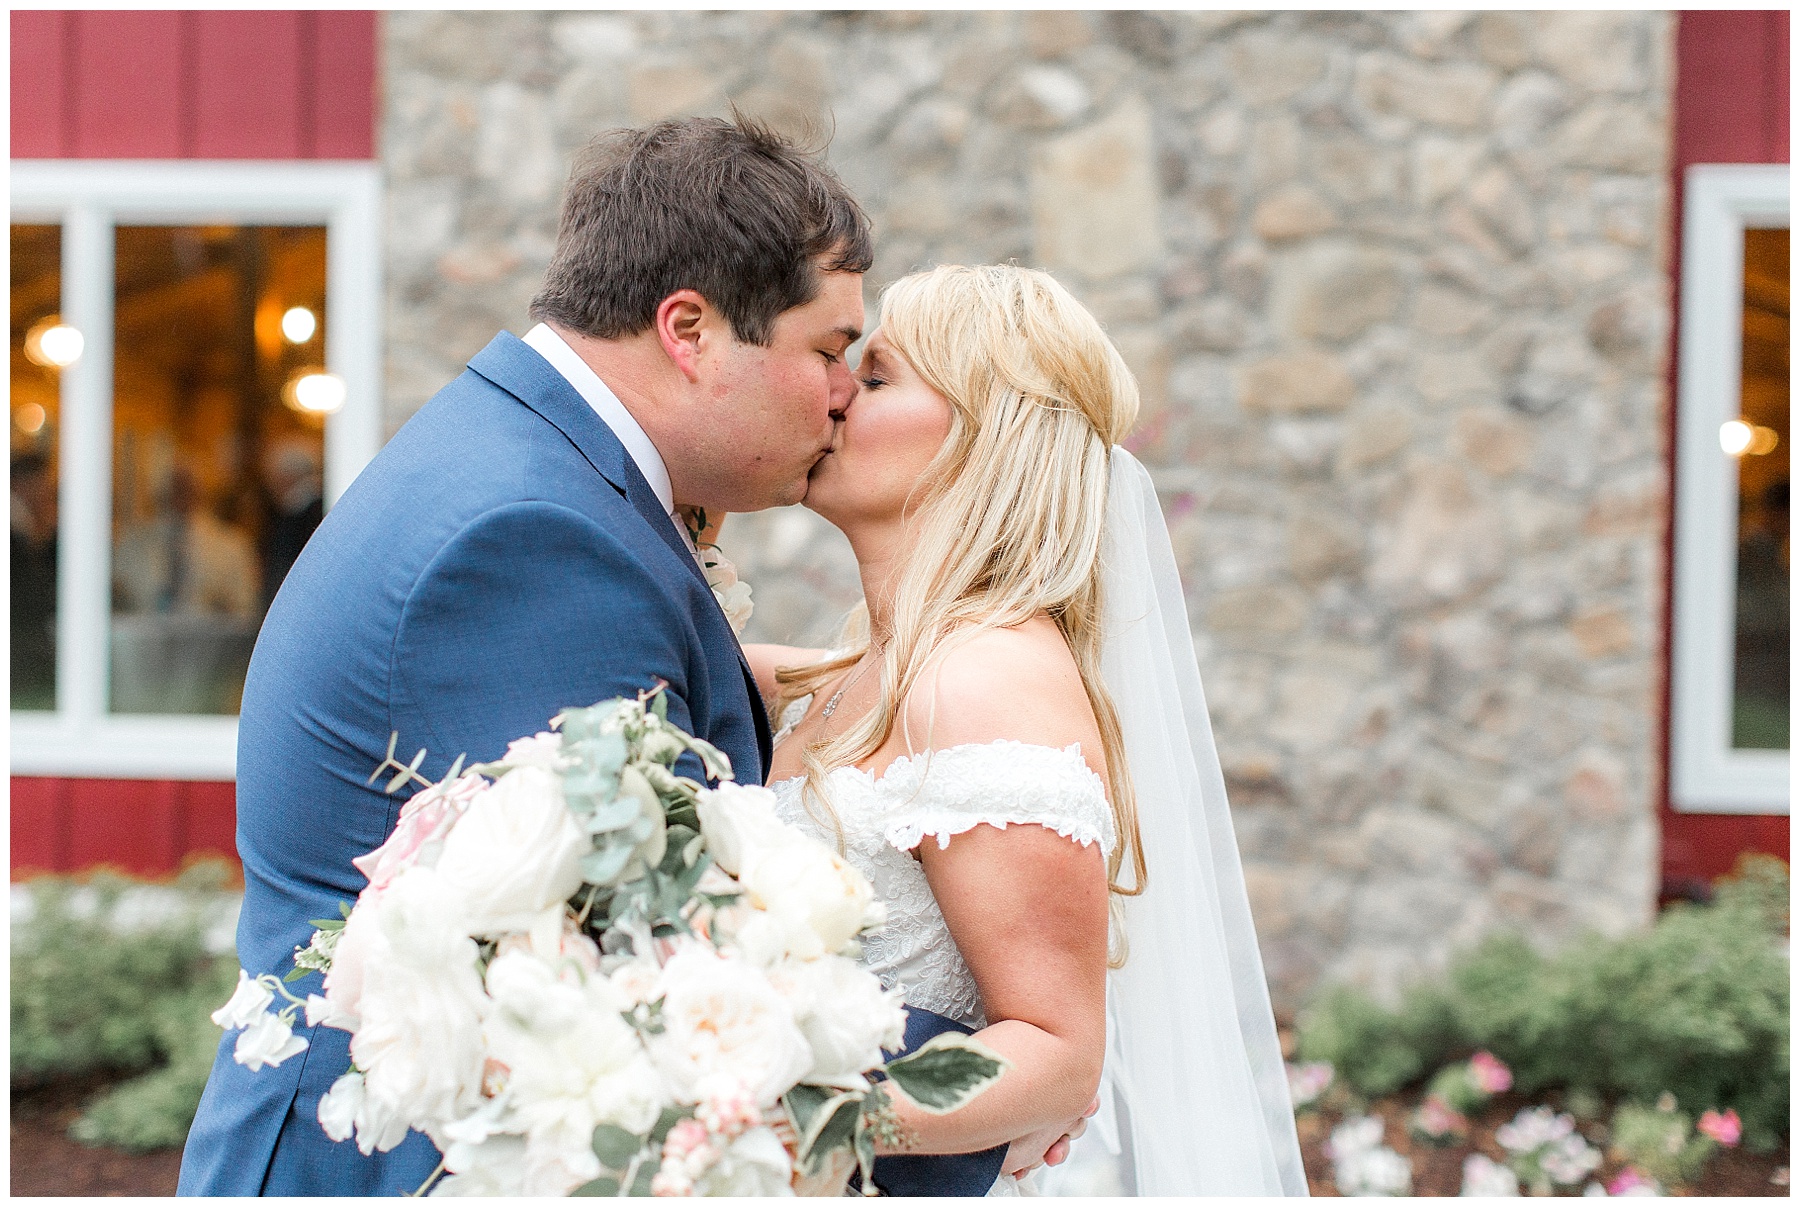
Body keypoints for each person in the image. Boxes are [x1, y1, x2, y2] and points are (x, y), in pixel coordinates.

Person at [179, 114, 876, 1196]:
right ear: (688, 329)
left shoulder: (531, 465)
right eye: (828, 350)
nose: (844, 393)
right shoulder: (530, 538)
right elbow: (617, 963)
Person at [743, 264, 1308, 1194]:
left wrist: (772, 1117)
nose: (835, 393)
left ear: (980, 441)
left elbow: (1054, 1054)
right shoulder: (852, 676)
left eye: (876, 377)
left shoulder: (985, 681)